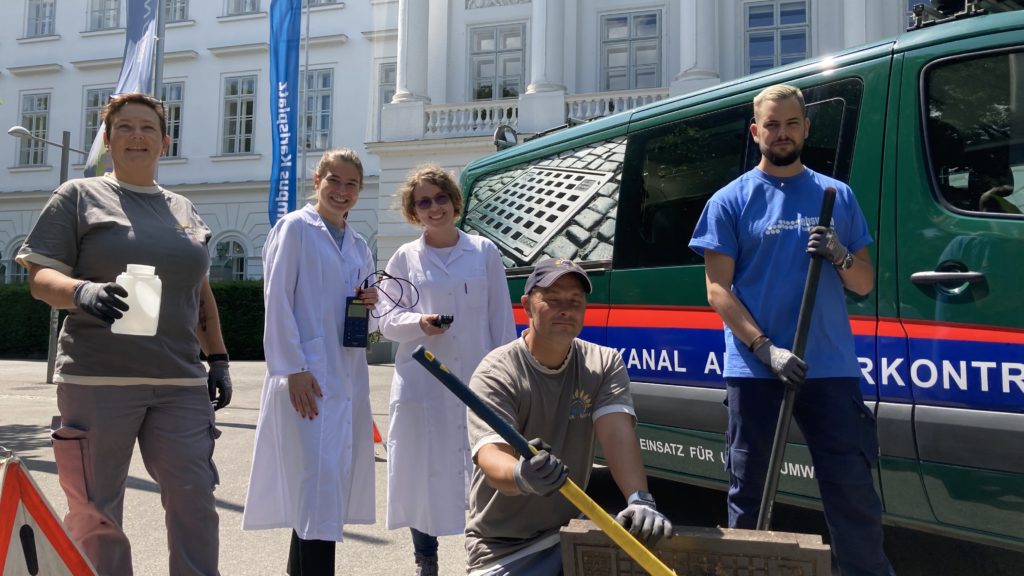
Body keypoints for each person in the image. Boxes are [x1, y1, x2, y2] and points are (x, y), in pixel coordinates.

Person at [15, 92, 232, 576]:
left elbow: (199, 296)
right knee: (95, 510)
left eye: (148, 128)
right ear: (109, 140)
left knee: (195, 497)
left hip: (179, 382)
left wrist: (217, 359)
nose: (137, 136)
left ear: (164, 141)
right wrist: (82, 292)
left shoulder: (184, 210)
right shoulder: (77, 196)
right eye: (126, 127)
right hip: (97, 381)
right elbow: (39, 279)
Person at [688, 84, 895, 576]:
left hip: (829, 367)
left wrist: (840, 253)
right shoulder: (729, 201)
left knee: (852, 492)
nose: (782, 133)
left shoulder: (835, 195)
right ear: (756, 131)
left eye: (791, 124)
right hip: (756, 370)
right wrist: (766, 349)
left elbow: (863, 282)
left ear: (806, 128)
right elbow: (717, 290)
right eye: (772, 125)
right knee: (750, 493)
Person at [465, 258, 672, 576]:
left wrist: (640, 499)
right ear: (526, 306)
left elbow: (617, 433)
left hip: (569, 533)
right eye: (553, 299)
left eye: (575, 301)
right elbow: (492, 458)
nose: (566, 309)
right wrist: (522, 476)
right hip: (502, 548)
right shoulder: (497, 371)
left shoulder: (603, 363)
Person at [241, 148, 379, 576]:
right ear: (316, 180)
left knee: (324, 483)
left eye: (351, 184)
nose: (342, 191)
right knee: (317, 482)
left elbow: (366, 315)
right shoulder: (296, 228)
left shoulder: (357, 245)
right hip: (307, 377)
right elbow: (277, 300)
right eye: (333, 181)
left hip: (346, 375)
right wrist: (292, 368)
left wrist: (370, 302)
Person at [378, 165, 516, 576]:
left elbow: (501, 321)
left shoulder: (483, 252)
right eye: (423, 201)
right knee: (421, 472)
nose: (434, 207)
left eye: (440, 198)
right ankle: (426, 558)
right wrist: (419, 324)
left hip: (477, 382)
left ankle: (488, 554)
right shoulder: (405, 257)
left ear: (454, 203)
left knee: (485, 470)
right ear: (413, 211)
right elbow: (386, 319)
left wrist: (508, 378)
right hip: (423, 382)